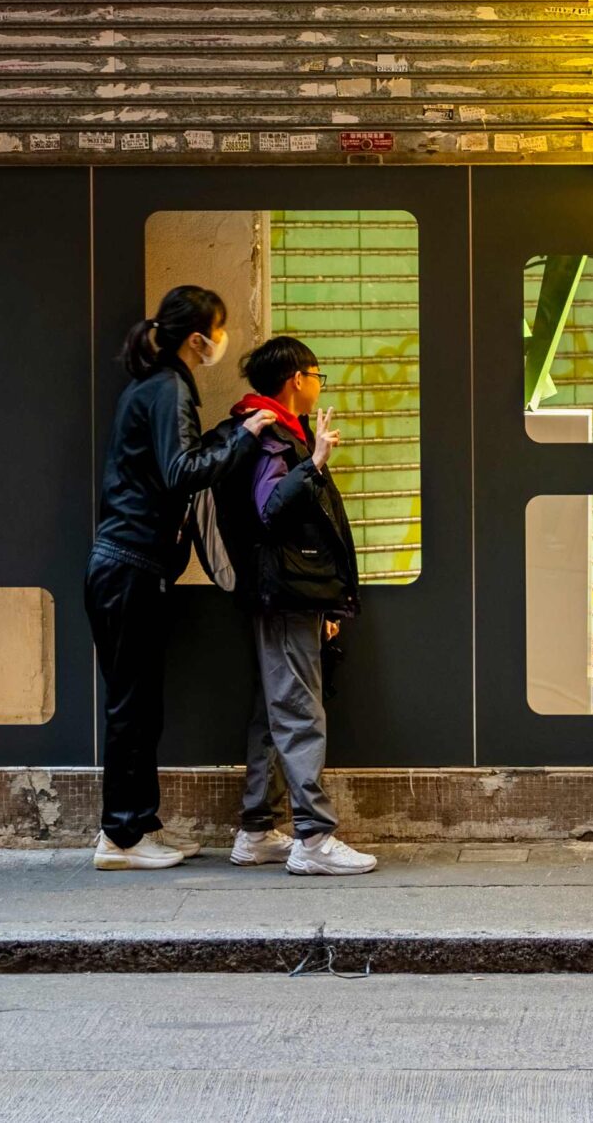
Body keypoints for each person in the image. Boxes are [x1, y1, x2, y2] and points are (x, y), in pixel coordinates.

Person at [88, 284, 270, 870]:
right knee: (131, 708)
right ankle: (119, 837)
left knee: (140, 707)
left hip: (131, 565)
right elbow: (180, 472)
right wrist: (241, 438)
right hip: (130, 566)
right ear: (198, 339)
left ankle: (140, 827)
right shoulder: (167, 387)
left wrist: (225, 433)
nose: (222, 339)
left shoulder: (156, 384)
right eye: (218, 330)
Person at [215, 336, 376, 877]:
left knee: (272, 711)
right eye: (316, 374)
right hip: (284, 595)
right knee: (301, 713)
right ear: (296, 379)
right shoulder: (274, 436)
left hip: (278, 593)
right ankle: (314, 838)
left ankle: (257, 830)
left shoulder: (265, 427)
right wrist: (317, 464)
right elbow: (271, 511)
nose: (318, 384)